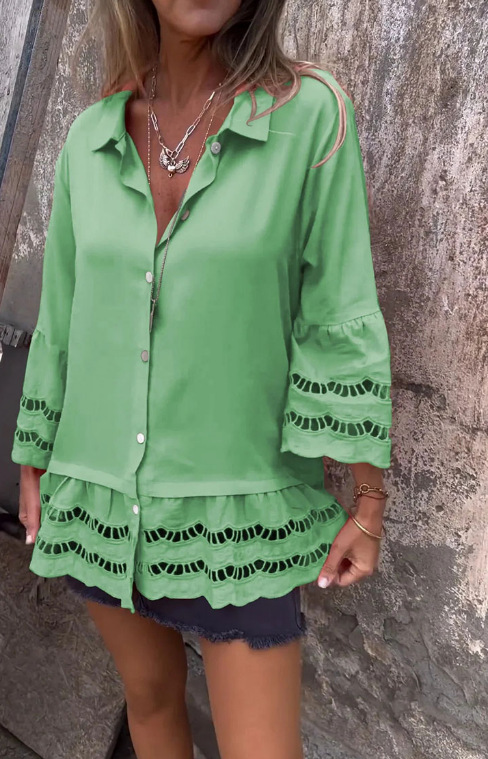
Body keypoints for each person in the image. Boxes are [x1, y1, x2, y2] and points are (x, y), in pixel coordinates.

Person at [11, 1, 393, 757]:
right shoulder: (89, 138)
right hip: (96, 493)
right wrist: (35, 456)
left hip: (239, 505)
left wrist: (370, 497)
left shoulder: (310, 117)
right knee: (151, 702)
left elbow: (337, 306)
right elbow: (63, 314)